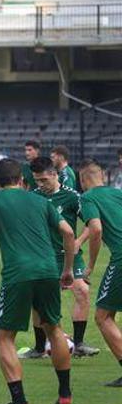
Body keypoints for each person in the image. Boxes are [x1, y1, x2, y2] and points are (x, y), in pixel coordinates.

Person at [0, 158, 74, 404]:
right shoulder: (41, 201)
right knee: (54, 328)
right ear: (22, 180)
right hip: (48, 271)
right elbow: (67, 231)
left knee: (4, 337)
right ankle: (65, 394)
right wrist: (67, 268)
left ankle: (20, 403)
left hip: (18, 274)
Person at [19, 157, 100, 359]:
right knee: (39, 303)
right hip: (44, 257)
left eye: (44, 180)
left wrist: (79, 241)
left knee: (82, 291)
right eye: (37, 180)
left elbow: (92, 224)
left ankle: (78, 344)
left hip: (70, 256)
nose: (40, 185)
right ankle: (39, 348)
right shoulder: (34, 197)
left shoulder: (73, 197)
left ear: (55, 174)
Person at [79, 160, 122, 387]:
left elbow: (95, 229)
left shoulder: (87, 198)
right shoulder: (117, 194)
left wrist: (90, 266)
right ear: (102, 176)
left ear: (83, 180)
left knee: (102, 316)